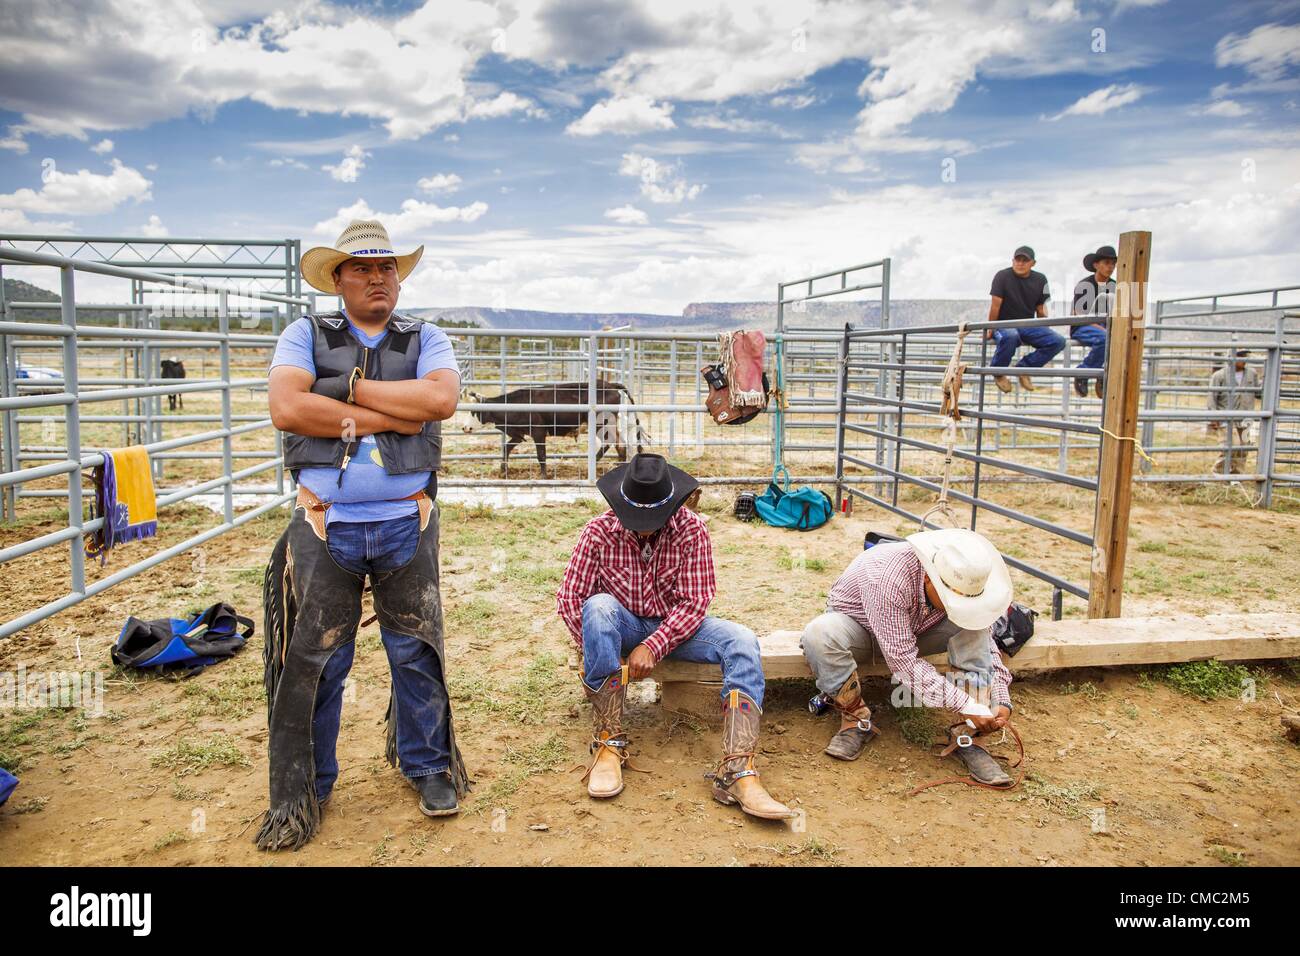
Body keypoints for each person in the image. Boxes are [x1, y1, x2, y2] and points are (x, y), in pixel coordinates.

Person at [256, 219, 469, 851]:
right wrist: (389, 415)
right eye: (364, 268)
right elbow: (288, 409)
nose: (379, 278)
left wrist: (345, 393)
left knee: (416, 651)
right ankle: (310, 785)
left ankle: (429, 766)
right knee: (318, 660)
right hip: (326, 523)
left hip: (408, 518)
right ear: (339, 279)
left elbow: (441, 402)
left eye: (387, 268)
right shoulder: (304, 333)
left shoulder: (426, 336)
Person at [555, 453, 795, 819]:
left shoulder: (692, 530)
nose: (646, 526)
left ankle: (737, 769)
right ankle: (608, 741)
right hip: (621, 623)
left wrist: (655, 644)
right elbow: (570, 597)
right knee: (598, 607)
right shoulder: (598, 532)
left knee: (742, 639)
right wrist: (595, 641)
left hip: (676, 627)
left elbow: (696, 601)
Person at [799, 529, 1016, 785]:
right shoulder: (884, 576)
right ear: (929, 579)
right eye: (951, 600)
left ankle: (969, 733)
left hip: (914, 631)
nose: (958, 607)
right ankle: (855, 717)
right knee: (819, 634)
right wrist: (966, 703)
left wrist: (1000, 698)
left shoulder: (961, 581)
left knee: (973, 628)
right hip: (862, 632)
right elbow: (902, 661)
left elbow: (986, 642)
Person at [987, 246, 1062, 393]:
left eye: (1025, 260)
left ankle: (1024, 368)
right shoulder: (1002, 276)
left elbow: (1041, 308)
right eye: (1017, 260)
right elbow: (995, 305)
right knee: (1010, 336)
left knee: (1058, 341)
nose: (1020, 263)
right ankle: (998, 372)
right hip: (1003, 324)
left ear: (1033, 263)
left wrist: (1044, 327)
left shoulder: (1040, 279)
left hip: (1028, 324)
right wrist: (991, 327)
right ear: (1012, 261)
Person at [1070, 244, 1116, 399]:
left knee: (1116, 340)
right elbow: (1079, 314)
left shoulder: (1115, 286)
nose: (1110, 267)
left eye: (1113, 263)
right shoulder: (1085, 285)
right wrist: (1104, 329)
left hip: (1104, 328)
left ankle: (1102, 374)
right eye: (1106, 263)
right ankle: (1083, 372)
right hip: (1083, 326)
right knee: (1106, 339)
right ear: (1096, 265)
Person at [1208, 349, 1262, 475]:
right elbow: (1212, 398)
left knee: (1244, 447)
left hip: (1246, 418)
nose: (1243, 359)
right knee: (1230, 446)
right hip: (1226, 418)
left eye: (1245, 356)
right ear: (1230, 358)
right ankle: (1219, 473)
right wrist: (1214, 417)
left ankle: (1237, 476)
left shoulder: (1251, 374)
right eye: (1240, 356)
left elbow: (1259, 393)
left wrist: (1268, 384)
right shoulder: (1219, 376)